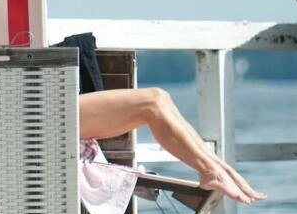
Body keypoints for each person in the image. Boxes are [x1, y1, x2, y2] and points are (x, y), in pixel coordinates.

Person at [78, 87, 266, 204]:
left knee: (160, 97)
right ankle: (210, 172)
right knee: (152, 103)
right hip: (50, 113)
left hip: (54, 100)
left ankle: (219, 168)